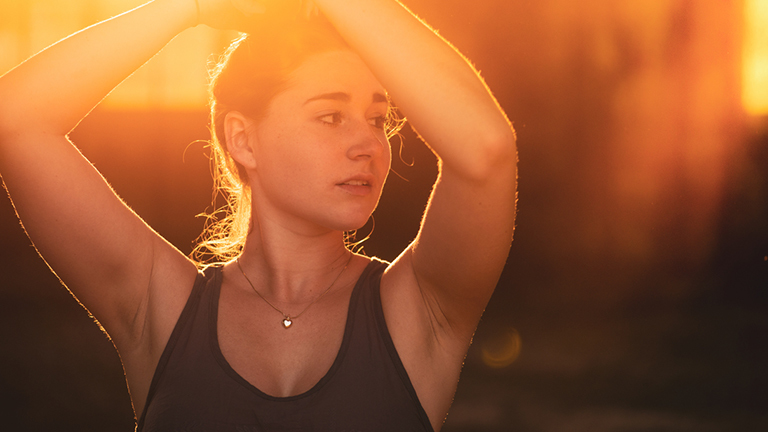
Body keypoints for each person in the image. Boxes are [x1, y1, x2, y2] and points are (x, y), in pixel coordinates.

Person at [0, 0, 516, 430]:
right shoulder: (162, 307)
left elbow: (486, 151)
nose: (369, 145)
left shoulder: (419, 308)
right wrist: (192, 6)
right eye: (331, 116)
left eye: (379, 119)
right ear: (243, 139)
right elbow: (14, 120)